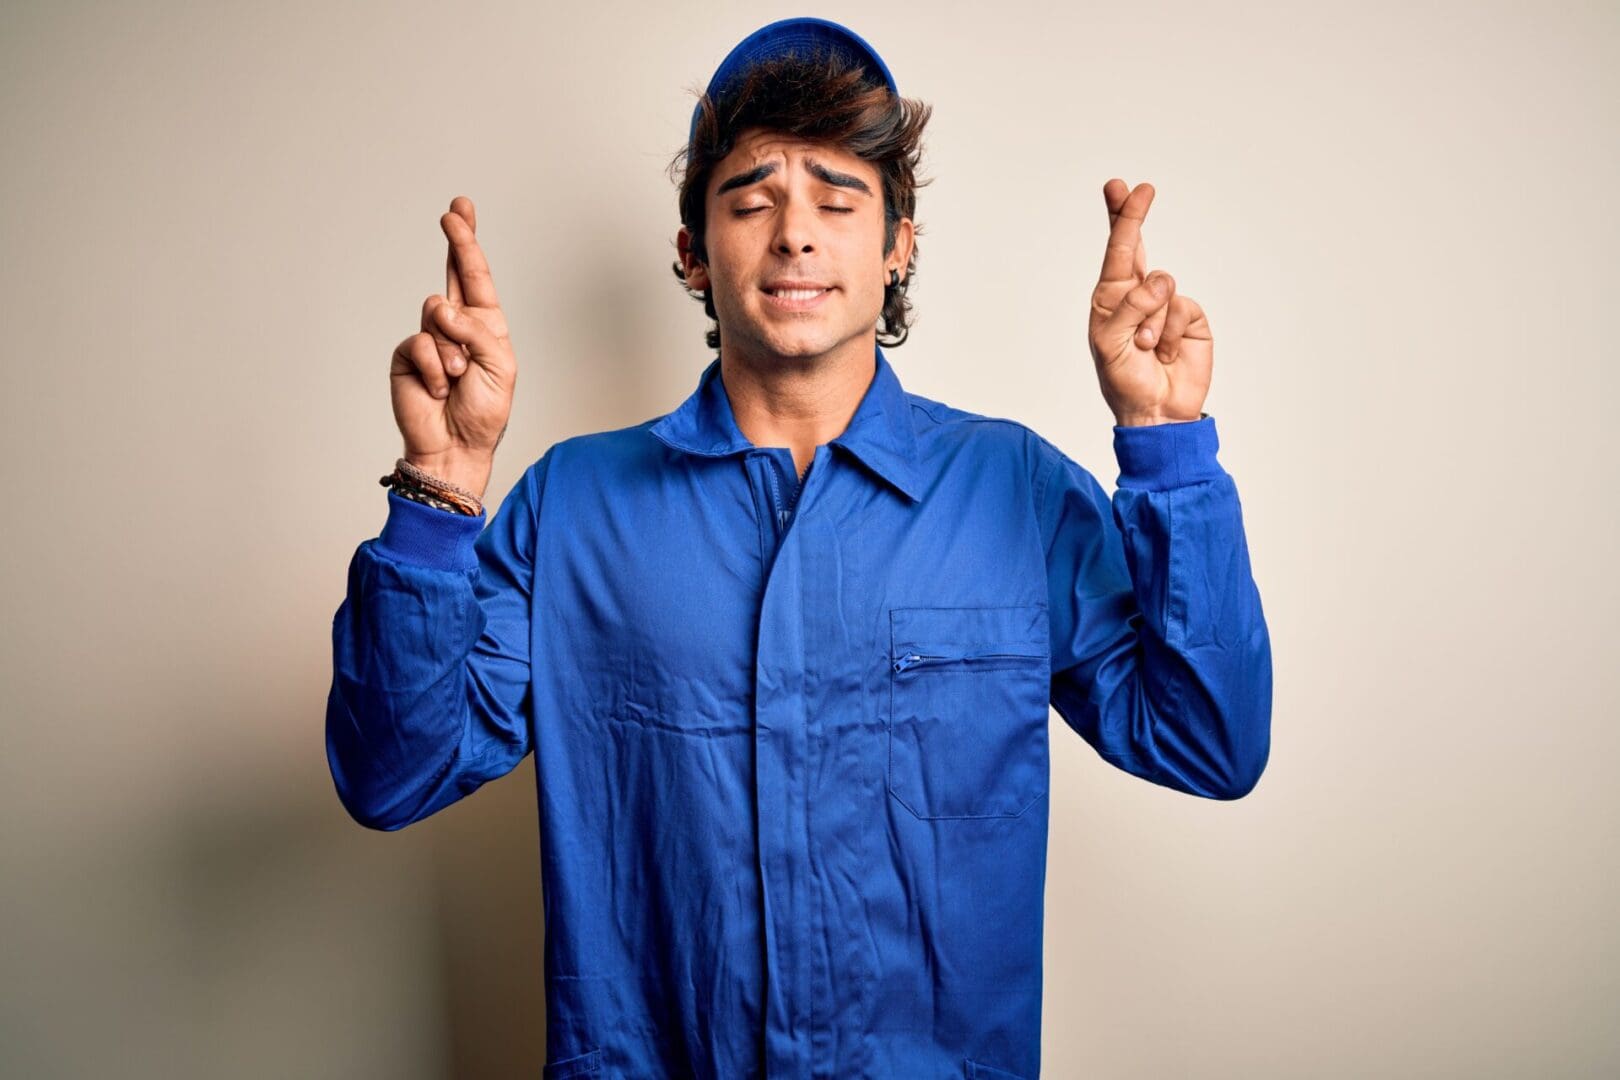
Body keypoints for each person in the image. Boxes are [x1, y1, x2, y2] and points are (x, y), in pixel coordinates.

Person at [328, 16, 1272, 1079]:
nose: (795, 235)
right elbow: (390, 777)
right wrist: (441, 490)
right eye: (750, 200)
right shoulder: (571, 509)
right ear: (692, 251)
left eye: (838, 198)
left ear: (898, 243)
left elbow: (1208, 741)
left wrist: (1167, 449)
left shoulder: (1014, 493)